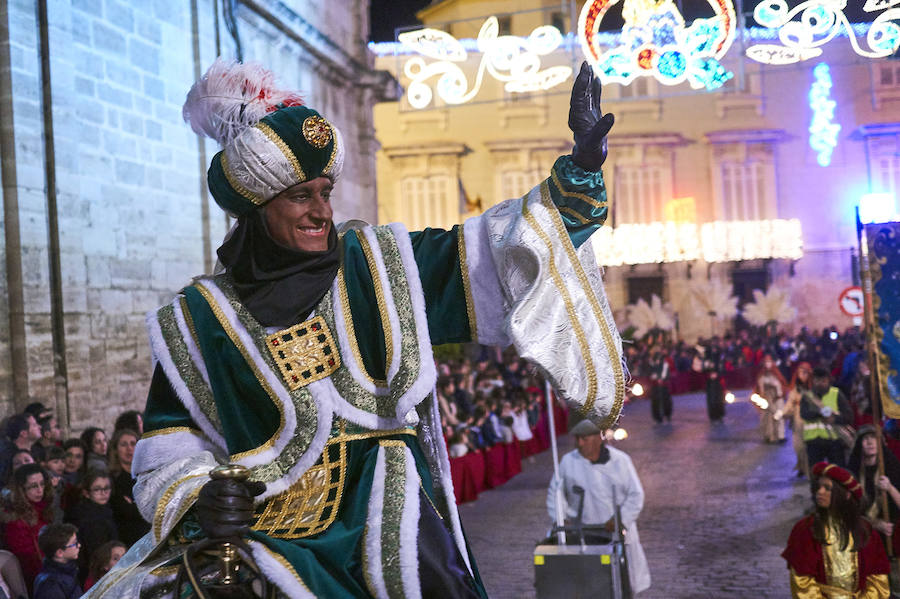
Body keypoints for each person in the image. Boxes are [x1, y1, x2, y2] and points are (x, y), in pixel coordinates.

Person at [86, 59, 625, 598]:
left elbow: (496, 252)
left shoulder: (380, 265)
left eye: (326, 192)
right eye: (302, 195)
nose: (322, 211)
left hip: (389, 516)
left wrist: (578, 168)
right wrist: (198, 495)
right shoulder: (197, 318)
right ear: (256, 206)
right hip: (263, 529)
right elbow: (170, 444)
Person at [546, 420, 651, 594]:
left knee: (621, 584)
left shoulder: (620, 461)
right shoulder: (568, 462)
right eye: (577, 439)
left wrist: (620, 519)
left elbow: (636, 495)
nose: (580, 444)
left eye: (584, 439)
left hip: (616, 533)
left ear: (597, 438)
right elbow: (555, 494)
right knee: (589, 587)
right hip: (584, 534)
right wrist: (561, 519)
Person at [782, 462, 890, 598]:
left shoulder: (865, 531)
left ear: (847, 495)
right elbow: (802, 582)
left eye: (827, 488)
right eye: (819, 487)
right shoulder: (805, 530)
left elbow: (877, 578)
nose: (820, 492)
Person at [2, 464, 55, 592]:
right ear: (21, 489)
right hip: (35, 581)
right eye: (33, 486)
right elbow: (27, 560)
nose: (40, 490)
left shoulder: (43, 508)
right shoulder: (15, 520)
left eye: (42, 484)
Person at [65, 471, 118, 582]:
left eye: (107, 488)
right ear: (86, 493)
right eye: (97, 489)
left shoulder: (106, 510)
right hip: (95, 573)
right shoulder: (86, 517)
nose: (103, 493)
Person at [801, 367, 853, 468]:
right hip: (814, 441)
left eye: (823, 381)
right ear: (813, 381)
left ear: (829, 380)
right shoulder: (807, 396)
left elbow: (849, 416)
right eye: (817, 381)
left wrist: (835, 419)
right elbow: (804, 414)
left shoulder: (836, 394)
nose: (820, 384)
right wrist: (819, 413)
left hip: (834, 441)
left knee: (838, 473)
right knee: (815, 474)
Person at [105, 429, 146, 546]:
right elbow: (123, 511)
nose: (129, 449)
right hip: (126, 539)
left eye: (133, 444)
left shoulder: (147, 476)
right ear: (116, 450)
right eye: (123, 445)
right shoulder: (112, 480)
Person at [33, 523, 81, 599]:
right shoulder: (50, 586)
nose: (79, 545)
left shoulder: (69, 570)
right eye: (74, 543)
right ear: (60, 553)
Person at [786, 362, 813, 479]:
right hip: (797, 421)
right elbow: (790, 404)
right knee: (798, 446)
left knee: (809, 447)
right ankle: (801, 467)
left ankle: (810, 470)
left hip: (811, 422)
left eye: (804, 373)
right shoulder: (795, 389)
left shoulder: (813, 389)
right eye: (800, 373)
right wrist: (783, 413)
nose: (802, 375)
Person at [0, 414, 42, 485]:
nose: (40, 427)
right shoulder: (8, 457)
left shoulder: (34, 452)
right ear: (24, 433)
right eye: (34, 425)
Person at [755, 354, 787, 443]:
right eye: (766, 362)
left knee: (779, 415)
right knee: (767, 418)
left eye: (769, 361)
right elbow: (759, 388)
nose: (768, 364)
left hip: (778, 398)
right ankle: (769, 436)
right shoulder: (762, 375)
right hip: (767, 399)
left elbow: (782, 384)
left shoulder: (777, 373)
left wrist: (780, 394)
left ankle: (781, 435)